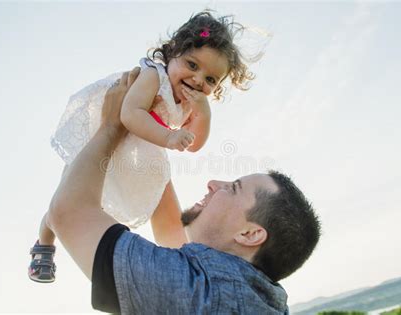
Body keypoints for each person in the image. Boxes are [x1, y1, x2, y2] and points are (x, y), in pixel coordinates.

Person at [42, 68, 321, 314]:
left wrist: (113, 125)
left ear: (250, 234)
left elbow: (67, 214)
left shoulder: (201, 296)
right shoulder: (245, 294)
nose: (213, 183)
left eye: (233, 188)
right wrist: (149, 131)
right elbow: (171, 238)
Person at [29, 11, 256, 283]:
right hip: (107, 140)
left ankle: (183, 263)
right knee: (66, 200)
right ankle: (44, 244)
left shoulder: (190, 102)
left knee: (166, 203)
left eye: (210, 80)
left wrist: (203, 115)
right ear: (173, 52)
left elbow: (194, 145)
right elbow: (129, 114)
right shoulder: (152, 76)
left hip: (145, 151)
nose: (198, 80)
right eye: (192, 65)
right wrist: (168, 137)